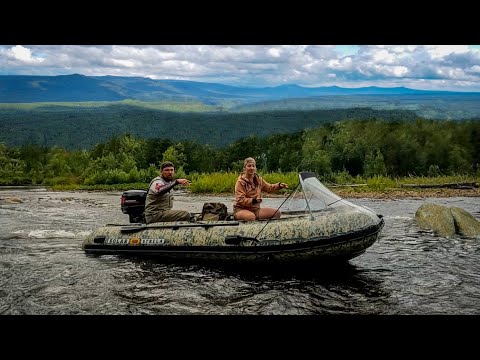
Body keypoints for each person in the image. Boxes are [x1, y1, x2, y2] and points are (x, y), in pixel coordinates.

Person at [233, 157, 288, 221]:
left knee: (277, 213)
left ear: (255, 168)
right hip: (241, 210)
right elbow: (240, 199)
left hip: (256, 210)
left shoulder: (259, 180)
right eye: (249, 166)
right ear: (244, 168)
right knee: (251, 217)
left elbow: (269, 188)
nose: (251, 168)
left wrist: (279, 186)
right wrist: (254, 200)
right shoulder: (240, 182)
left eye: (253, 166)